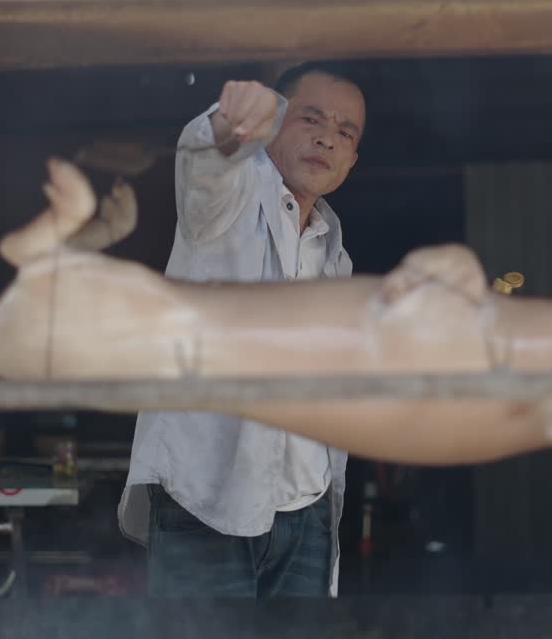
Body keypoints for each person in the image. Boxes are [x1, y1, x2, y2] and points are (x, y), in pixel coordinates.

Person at [117, 62, 367, 598]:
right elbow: (206, 160)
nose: (328, 136)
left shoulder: (333, 252)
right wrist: (229, 122)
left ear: (352, 159)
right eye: (312, 117)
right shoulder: (234, 196)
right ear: (275, 123)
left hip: (307, 510)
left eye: (346, 132)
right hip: (207, 499)